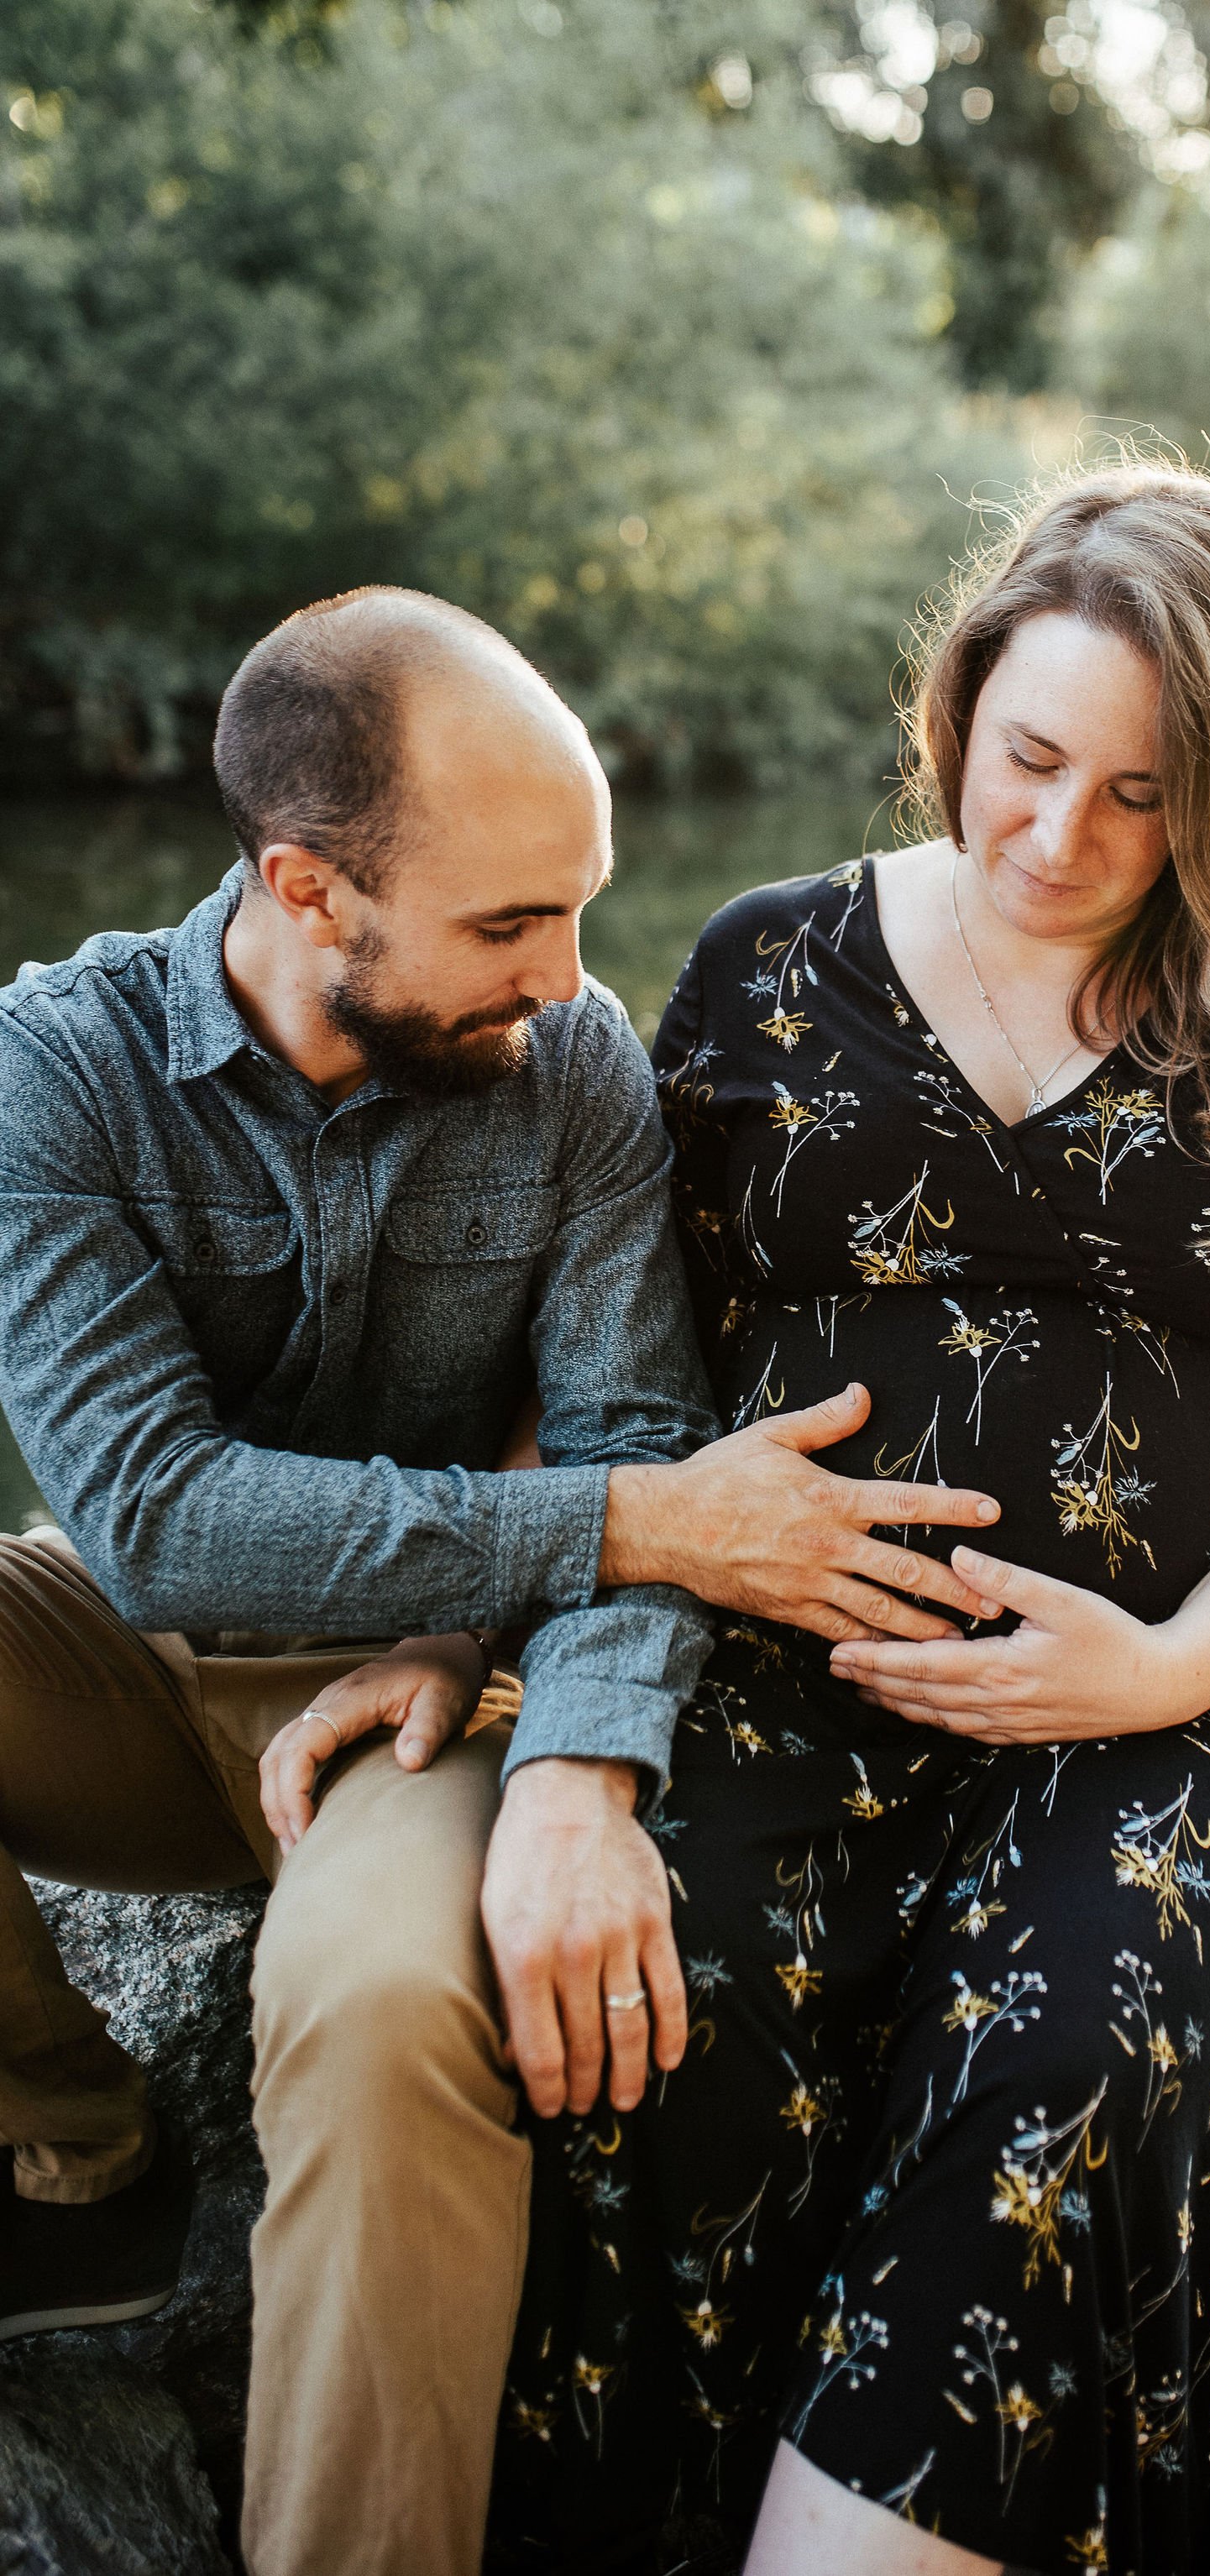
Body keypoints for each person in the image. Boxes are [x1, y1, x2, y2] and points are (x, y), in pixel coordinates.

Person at [474, 463, 1210, 2574]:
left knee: (1054, 2085)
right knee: (676, 2040)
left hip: (1159, 1724)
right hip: (776, 1681)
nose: (1060, 837)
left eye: (1143, 795)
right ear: (957, 705)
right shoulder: (762, 970)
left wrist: (1175, 1657)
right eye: (1029, 760)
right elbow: (609, 1379)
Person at [0, 588, 1005, 2576]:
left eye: (582, 905)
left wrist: (585, 1757)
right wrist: (616, 1526)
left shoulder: (580, 1065)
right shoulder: (55, 1069)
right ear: (309, 888)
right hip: (137, 1652)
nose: (568, 977)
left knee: (379, 2005)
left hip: (427, 1699)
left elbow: (643, 1428)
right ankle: (76, 2150)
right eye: (505, 924)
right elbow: (154, 1515)